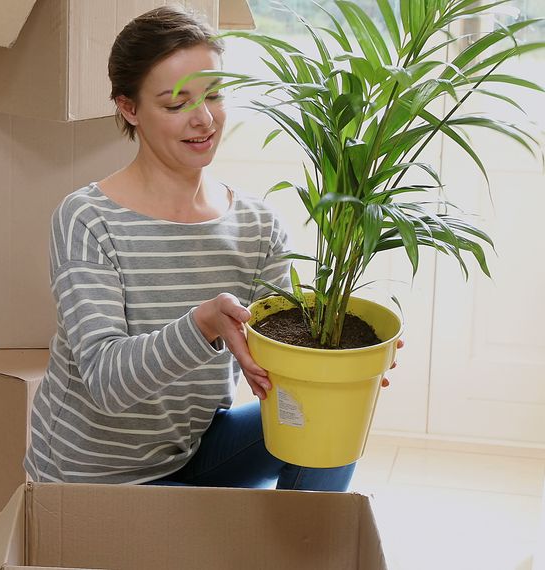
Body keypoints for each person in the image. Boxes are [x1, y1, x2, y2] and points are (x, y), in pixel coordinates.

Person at [23, 5, 399, 490]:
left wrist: (344, 365)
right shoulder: (88, 219)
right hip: (97, 480)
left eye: (215, 95)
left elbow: (282, 355)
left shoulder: (257, 225)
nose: (203, 120)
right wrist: (201, 324)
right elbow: (106, 383)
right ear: (128, 107)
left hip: (196, 450)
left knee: (332, 425)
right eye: (176, 104)